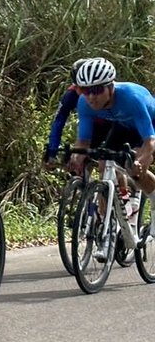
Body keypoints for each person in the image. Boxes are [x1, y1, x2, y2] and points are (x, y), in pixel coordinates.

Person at [66, 57, 155, 256]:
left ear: (111, 87)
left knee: (137, 172)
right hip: (122, 126)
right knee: (105, 164)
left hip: (149, 128)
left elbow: (149, 142)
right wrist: (77, 157)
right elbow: (83, 141)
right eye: (85, 90)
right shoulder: (85, 103)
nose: (91, 97)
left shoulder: (130, 97)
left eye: (97, 90)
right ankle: (109, 234)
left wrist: (140, 161)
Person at [44, 58, 134, 227]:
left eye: (90, 88)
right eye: (80, 88)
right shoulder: (71, 95)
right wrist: (52, 150)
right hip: (90, 130)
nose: (84, 93)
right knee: (77, 161)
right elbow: (59, 122)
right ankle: (87, 203)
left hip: (112, 126)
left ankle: (123, 196)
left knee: (105, 164)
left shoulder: (108, 95)